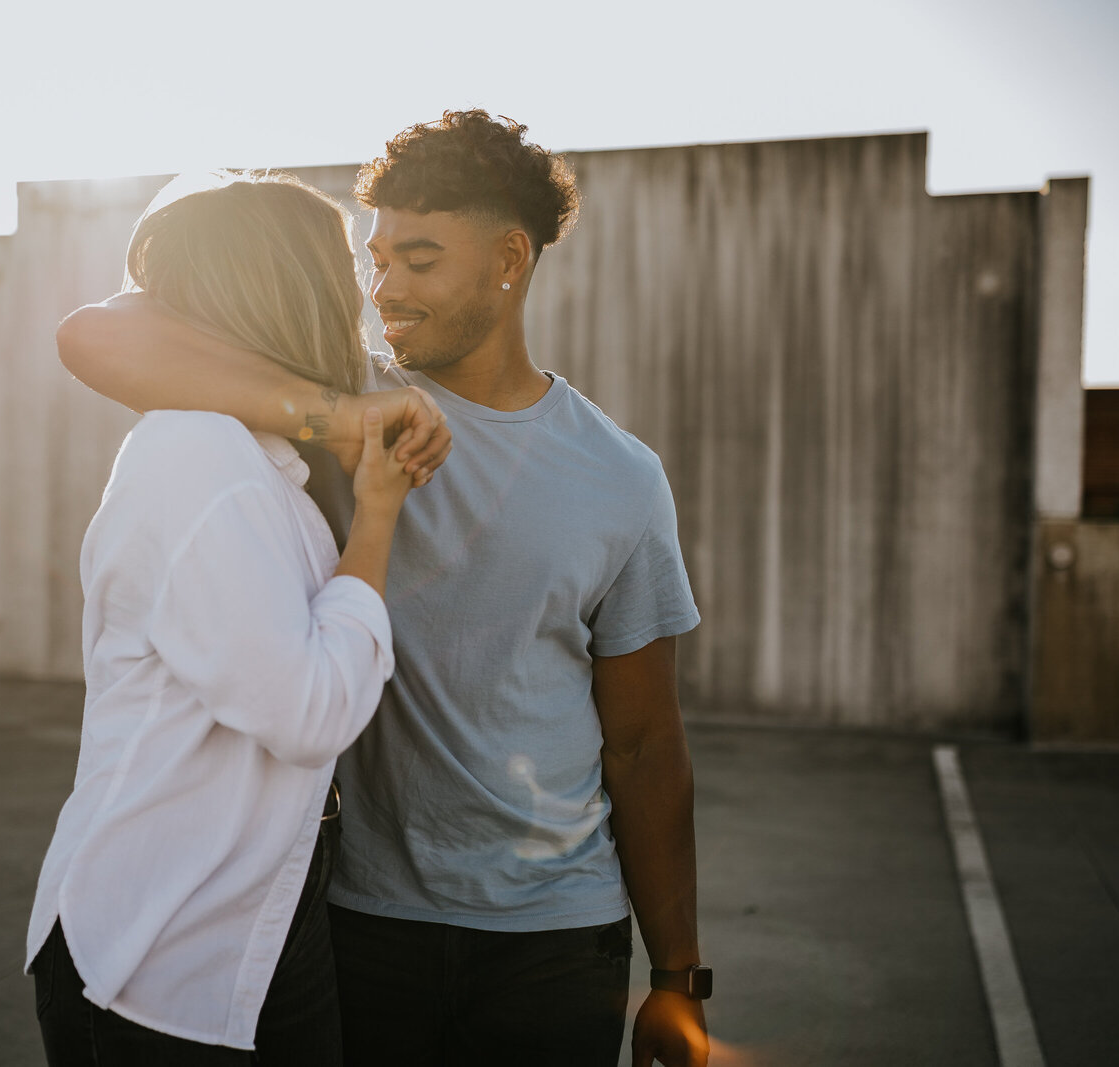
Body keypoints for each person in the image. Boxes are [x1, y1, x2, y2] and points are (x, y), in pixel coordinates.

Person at [56, 111, 710, 1067]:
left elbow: (647, 740)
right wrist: (341, 412)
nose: (384, 287)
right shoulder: (334, 392)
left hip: (555, 940)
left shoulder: (620, 475)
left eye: (420, 258)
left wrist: (678, 973)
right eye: (377, 257)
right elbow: (93, 336)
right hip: (355, 920)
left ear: (509, 259)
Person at [24, 171, 449, 1066]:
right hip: (155, 954)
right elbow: (308, 714)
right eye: (342, 278)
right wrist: (376, 516)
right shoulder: (200, 457)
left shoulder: (255, 461)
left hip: (247, 925)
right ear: (290, 293)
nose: (360, 306)